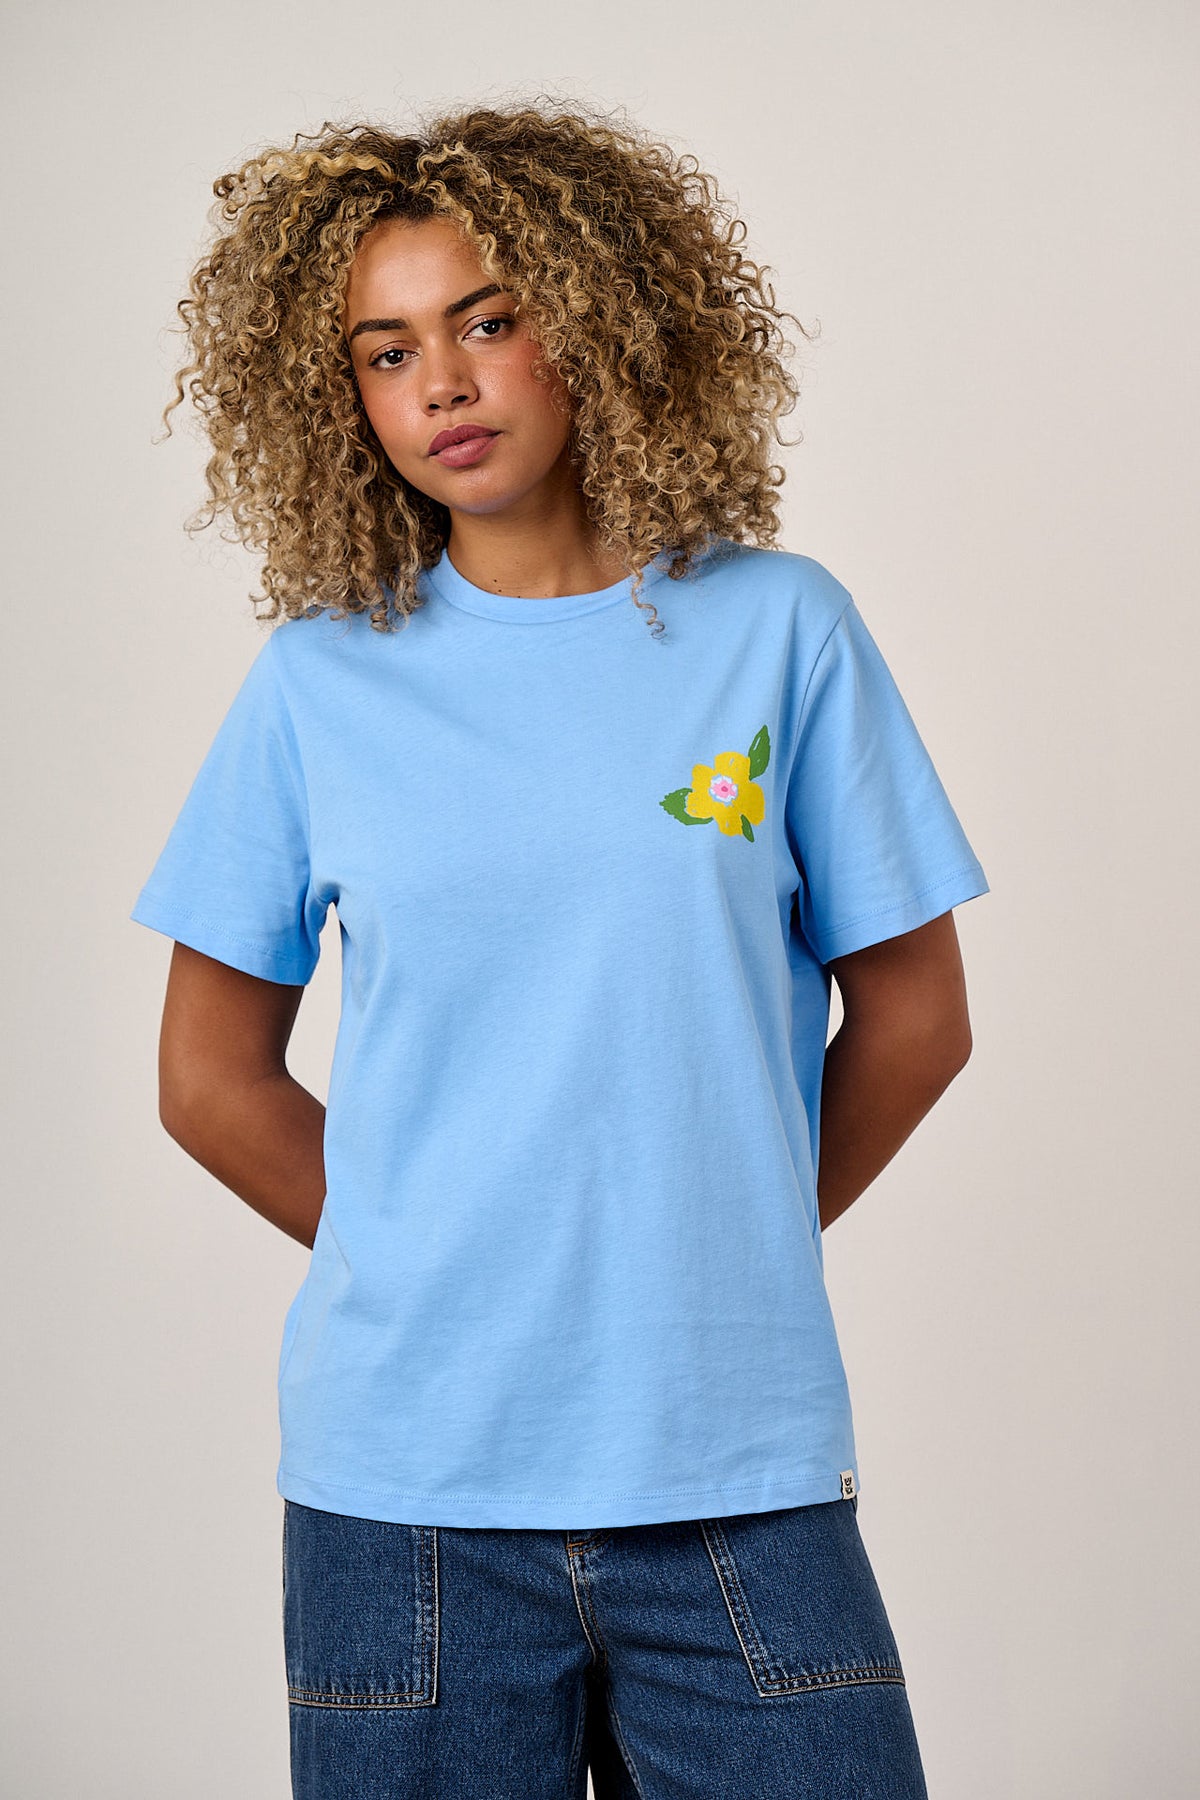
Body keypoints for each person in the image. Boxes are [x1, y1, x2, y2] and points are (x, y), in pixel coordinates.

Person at [130, 97, 988, 1799]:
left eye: (487, 322)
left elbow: (916, 1020)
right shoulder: (320, 683)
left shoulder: (780, 629)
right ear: (340, 398)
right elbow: (207, 1080)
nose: (441, 386)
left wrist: (709, 1244)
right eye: (387, 353)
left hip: (734, 1474)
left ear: (599, 319)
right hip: (408, 1495)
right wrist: (446, 1259)